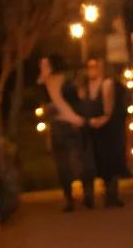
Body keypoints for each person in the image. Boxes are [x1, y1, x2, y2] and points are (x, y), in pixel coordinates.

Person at [37, 54, 87, 211]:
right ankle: (69, 198)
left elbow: (75, 102)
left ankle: (87, 195)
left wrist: (76, 118)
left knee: (76, 162)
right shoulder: (44, 85)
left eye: (45, 65)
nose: (43, 68)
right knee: (62, 165)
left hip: (70, 125)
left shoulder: (66, 82)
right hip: (56, 127)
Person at [78, 56, 126, 208]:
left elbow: (109, 106)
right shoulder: (84, 86)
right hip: (89, 129)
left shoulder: (107, 83)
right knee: (89, 162)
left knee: (109, 161)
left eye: (95, 66)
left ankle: (112, 194)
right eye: (89, 67)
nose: (92, 70)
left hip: (108, 129)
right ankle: (89, 196)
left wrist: (103, 119)